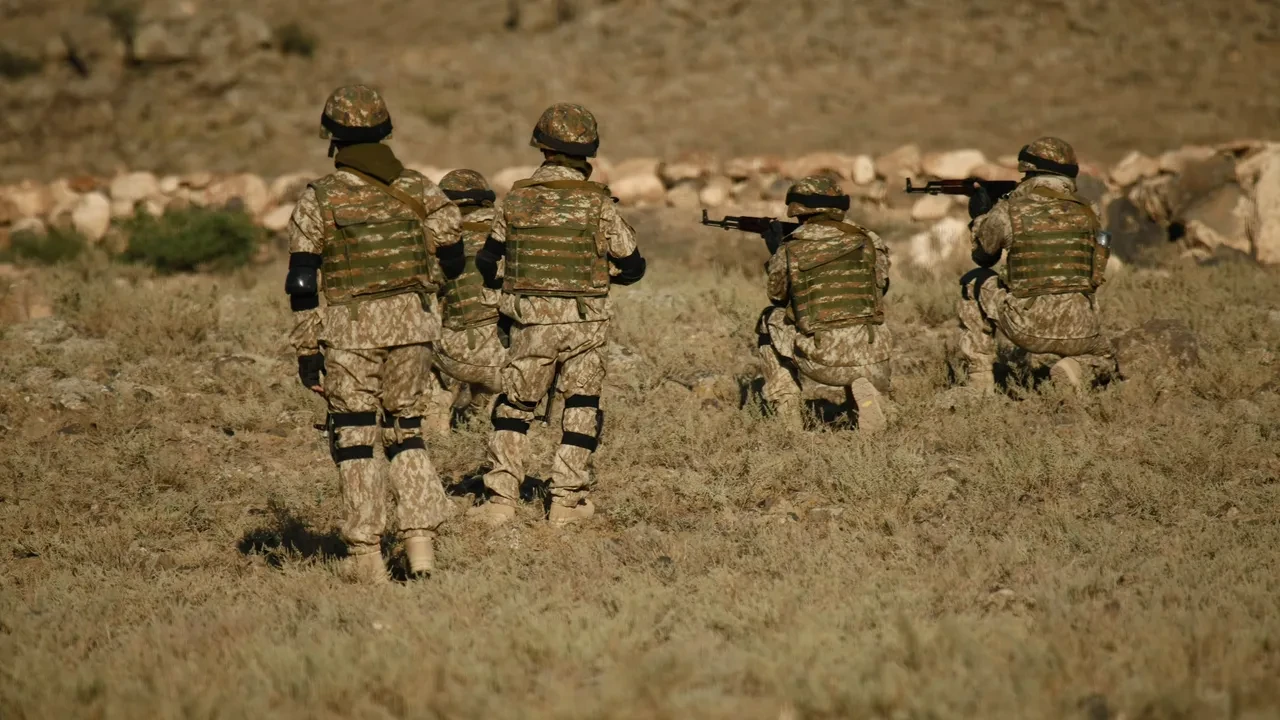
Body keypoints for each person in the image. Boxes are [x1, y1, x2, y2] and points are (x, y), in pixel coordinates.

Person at [284, 85, 463, 582]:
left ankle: (365, 556)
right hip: (413, 326)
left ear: (332, 137)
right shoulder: (421, 188)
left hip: (349, 331)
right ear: (386, 131)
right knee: (407, 431)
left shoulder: (320, 197)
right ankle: (421, 544)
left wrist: (306, 350)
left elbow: (301, 281)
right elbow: (453, 254)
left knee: (357, 438)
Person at [468, 102, 646, 527]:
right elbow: (634, 265)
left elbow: (486, 260)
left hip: (532, 324)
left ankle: (500, 502)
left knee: (514, 408)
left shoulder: (517, 199)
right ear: (587, 153)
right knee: (581, 406)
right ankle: (566, 504)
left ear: (543, 148)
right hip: (587, 323)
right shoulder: (598, 203)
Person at [957, 136, 1116, 392]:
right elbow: (1097, 268)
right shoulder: (1091, 212)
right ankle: (1076, 370)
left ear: (1027, 170)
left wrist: (980, 218)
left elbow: (984, 257)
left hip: (1028, 326)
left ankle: (980, 384)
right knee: (1106, 360)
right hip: (1083, 328)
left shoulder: (1009, 210)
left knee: (974, 280)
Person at [757, 175, 892, 433]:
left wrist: (775, 251)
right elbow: (881, 287)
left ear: (797, 209)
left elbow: (777, 295)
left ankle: (788, 419)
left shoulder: (791, 247)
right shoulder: (870, 240)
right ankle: (866, 392)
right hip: (873, 357)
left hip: (822, 360)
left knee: (769, 319)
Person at [423, 169, 507, 428]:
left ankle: (434, 426)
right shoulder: (509, 225)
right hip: (511, 360)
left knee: (417, 344)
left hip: (460, 358)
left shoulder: (436, 233)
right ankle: (474, 417)